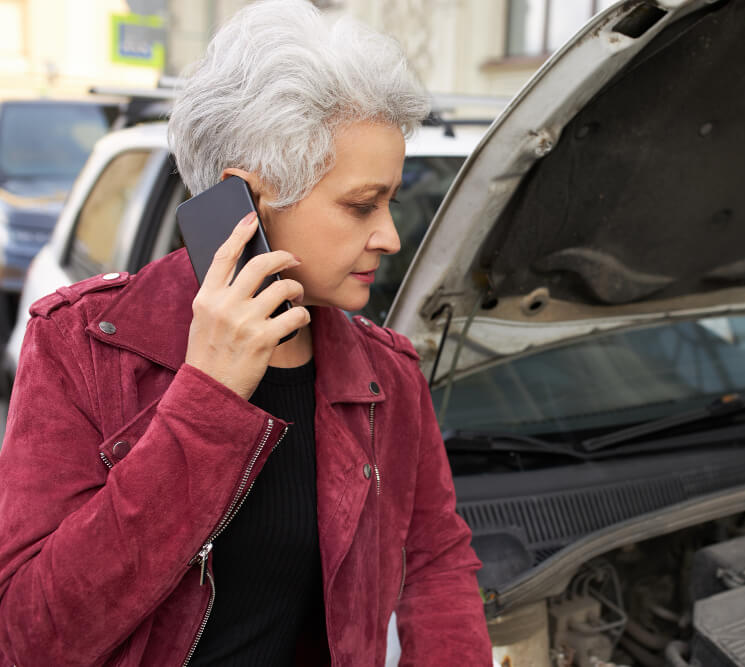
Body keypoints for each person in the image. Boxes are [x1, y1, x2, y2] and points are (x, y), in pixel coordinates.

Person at [0, 1, 492, 664]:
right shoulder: (82, 347)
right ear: (248, 203)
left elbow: (436, 565)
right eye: (359, 205)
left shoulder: (387, 378)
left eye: (391, 201)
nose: (391, 236)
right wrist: (207, 397)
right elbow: (30, 637)